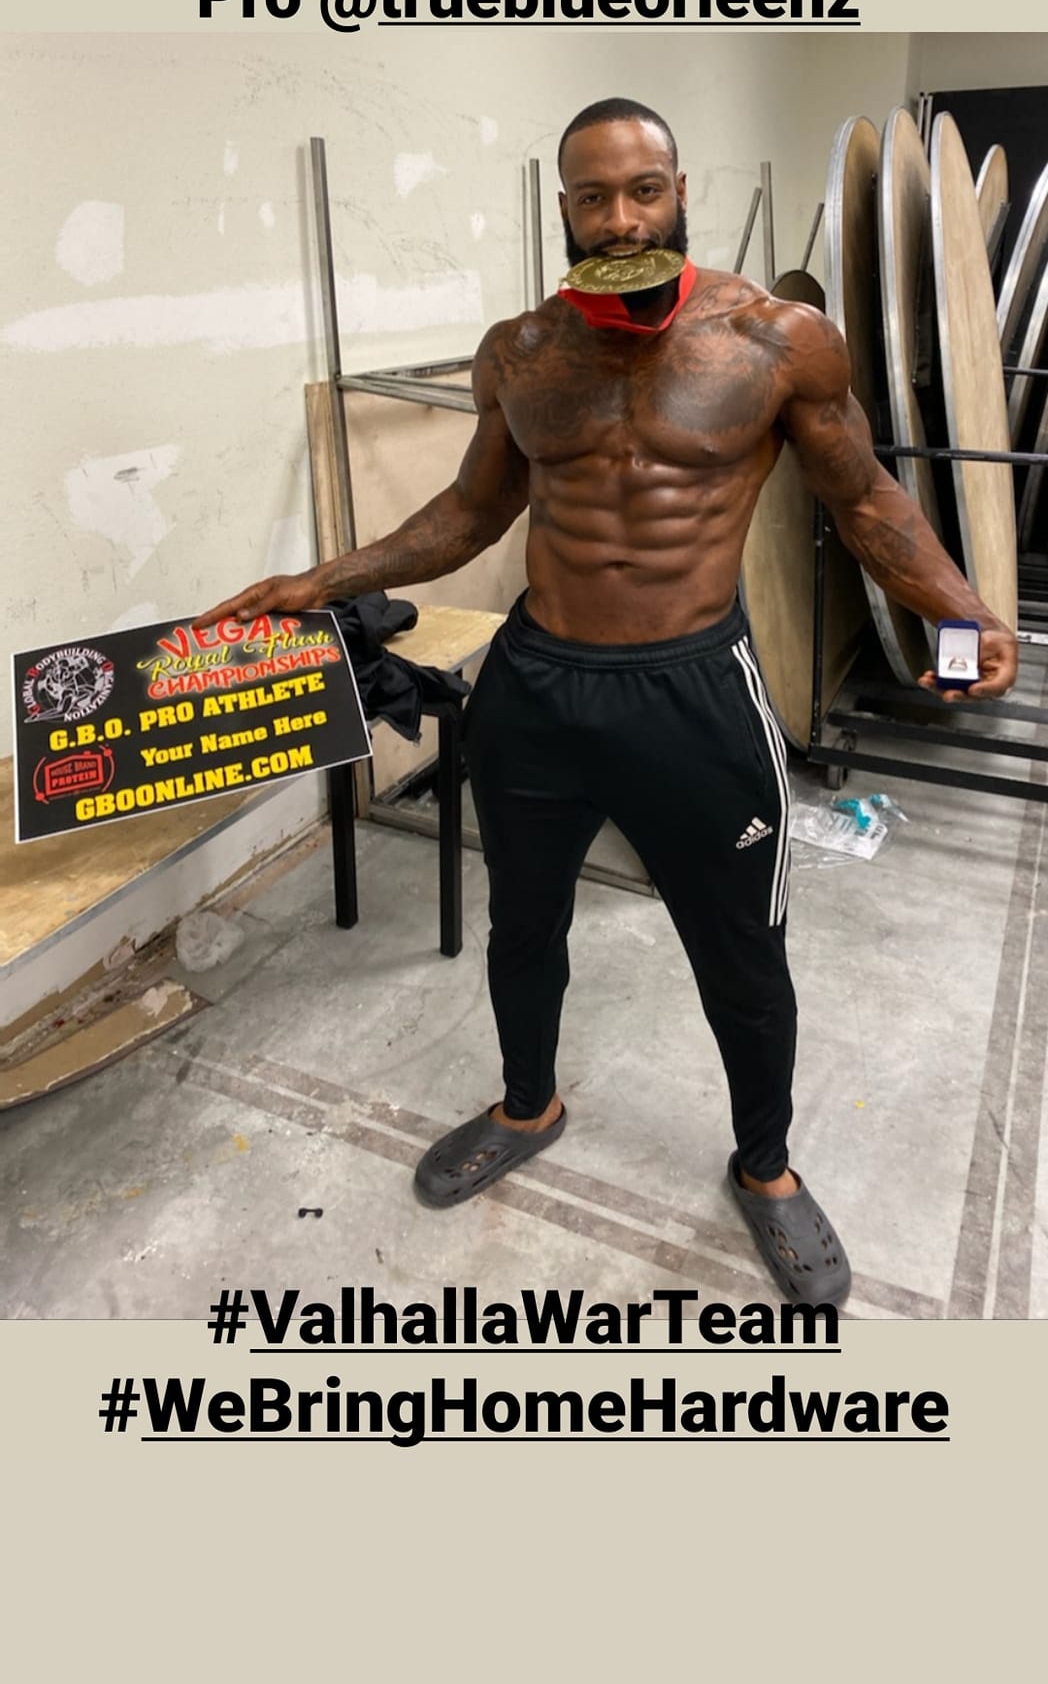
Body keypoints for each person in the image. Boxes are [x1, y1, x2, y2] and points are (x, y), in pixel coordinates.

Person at [197, 97, 1018, 1305]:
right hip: (536, 686)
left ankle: (767, 1165)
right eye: (593, 196)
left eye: (642, 190)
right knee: (522, 924)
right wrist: (322, 578)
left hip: (694, 692)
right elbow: (469, 514)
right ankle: (527, 1102)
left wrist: (960, 607)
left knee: (740, 949)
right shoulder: (520, 351)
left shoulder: (777, 339)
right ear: (564, 208)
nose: (620, 217)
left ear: (679, 191)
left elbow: (865, 501)